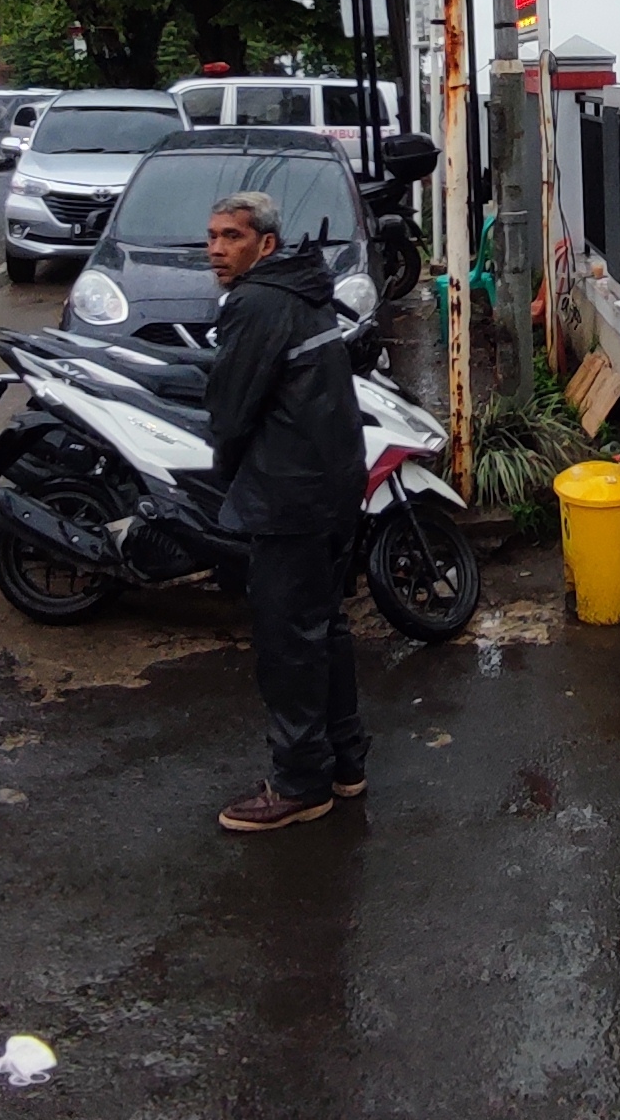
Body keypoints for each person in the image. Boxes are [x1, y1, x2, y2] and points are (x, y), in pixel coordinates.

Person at [198, 188, 369, 834]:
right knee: (325, 628)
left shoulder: (256, 301)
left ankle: (301, 783)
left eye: (231, 236)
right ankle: (345, 763)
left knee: (288, 643)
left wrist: (225, 476)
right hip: (332, 486)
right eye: (212, 235)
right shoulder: (304, 291)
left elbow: (231, 408)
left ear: (264, 244)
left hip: (290, 496)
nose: (216, 248)